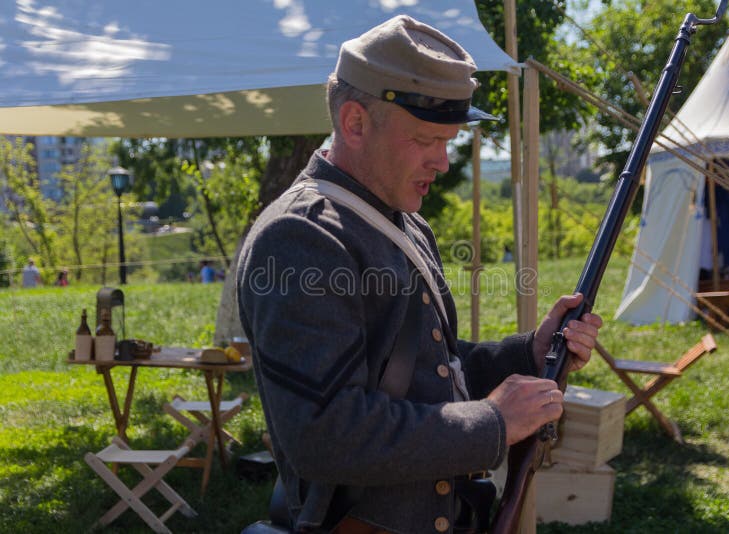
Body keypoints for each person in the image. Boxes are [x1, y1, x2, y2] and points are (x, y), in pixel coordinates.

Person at [237, 15, 602, 534]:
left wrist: (529, 353)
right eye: (426, 139)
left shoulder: (403, 222)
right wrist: (493, 423)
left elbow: (434, 373)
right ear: (355, 122)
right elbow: (324, 434)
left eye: (447, 140)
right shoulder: (300, 237)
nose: (444, 161)